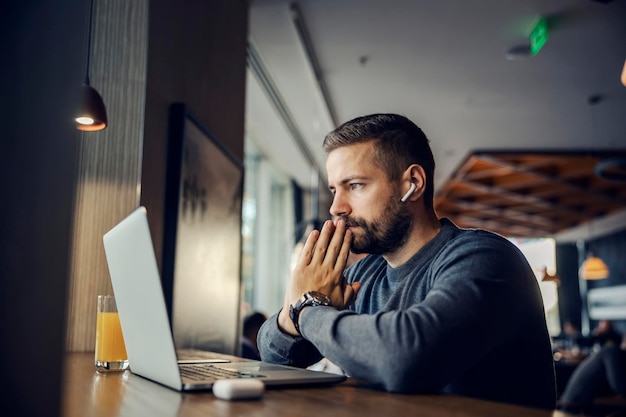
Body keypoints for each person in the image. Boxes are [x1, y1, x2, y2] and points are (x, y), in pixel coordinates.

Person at [257, 113, 556, 410]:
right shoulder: (365, 272)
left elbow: (403, 359)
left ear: (412, 183)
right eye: (335, 189)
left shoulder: (485, 258)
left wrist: (305, 307)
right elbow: (276, 356)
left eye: (355, 185)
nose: (336, 207)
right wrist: (294, 314)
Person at [557, 333, 626, 415]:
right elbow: (621, 388)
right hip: (574, 410)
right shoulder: (613, 353)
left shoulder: (614, 353)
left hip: (582, 408)